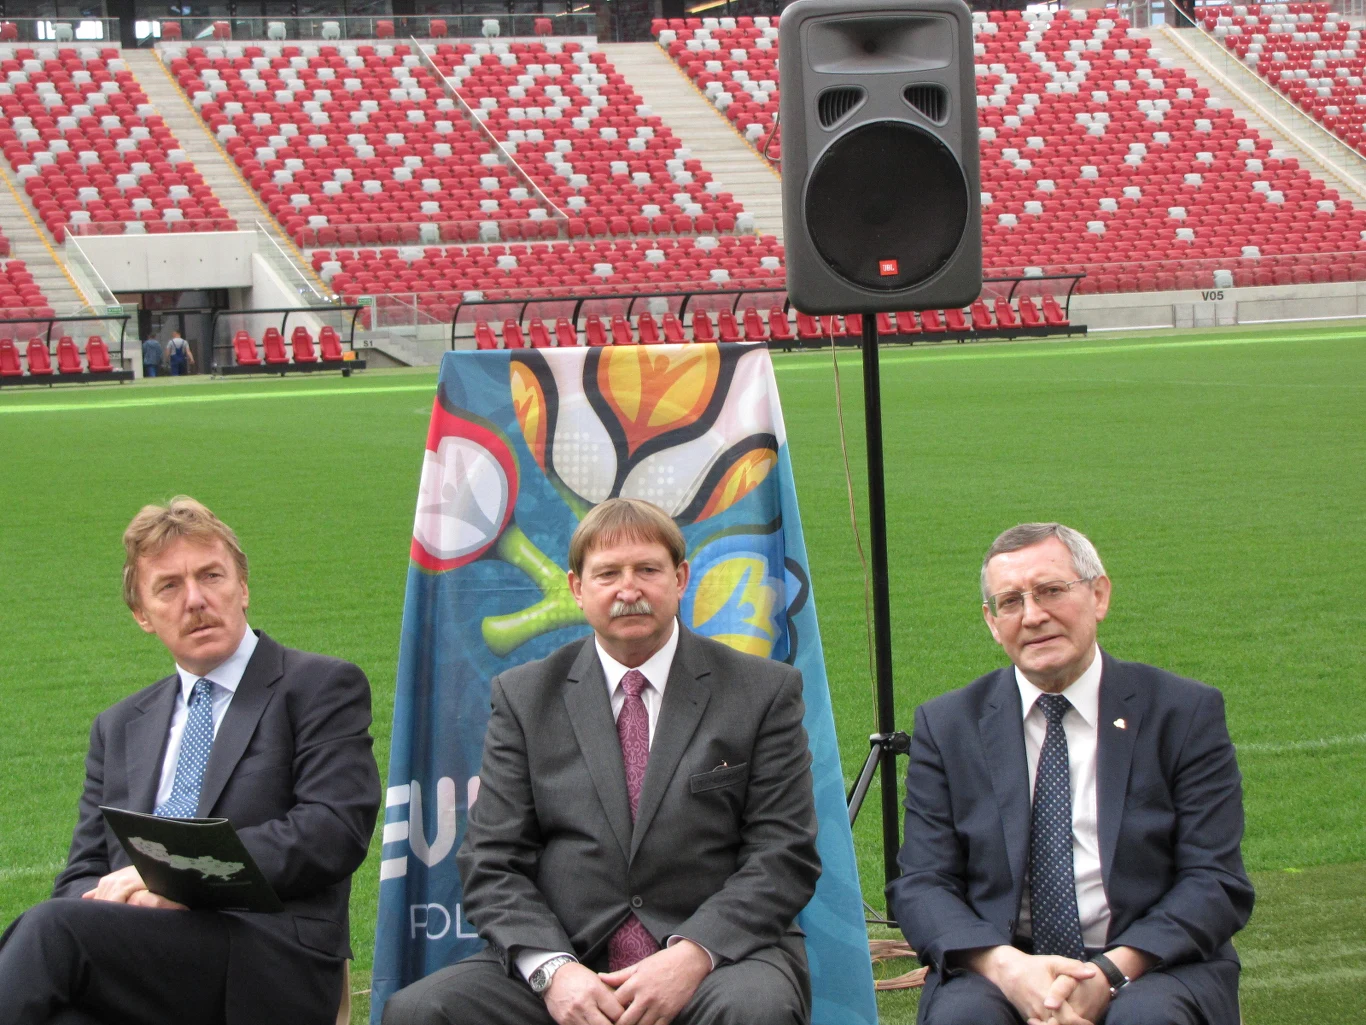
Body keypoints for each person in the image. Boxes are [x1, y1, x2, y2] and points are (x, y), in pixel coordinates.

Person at [383, 498, 822, 1025]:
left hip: (718, 962)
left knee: (756, 1009)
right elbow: (492, 862)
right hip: (571, 958)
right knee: (419, 1011)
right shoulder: (525, 698)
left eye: (647, 570)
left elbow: (783, 854)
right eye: (608, 573)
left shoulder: (761, 692)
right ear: (576, 588)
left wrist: (691, 955)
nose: (628, 590)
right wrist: (554, 971)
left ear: (681, 578)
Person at [0, 497, 381, 1025]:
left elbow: (332, 831)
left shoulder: (317, 687)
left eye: (211, 576)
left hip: (259, 956)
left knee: (49, 931)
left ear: (242, 588)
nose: (196, 600)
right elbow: (82, 870)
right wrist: (124, 904)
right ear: (142, 615)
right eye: (169, 586)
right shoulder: (118, 726)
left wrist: (173, 879)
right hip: (142, 957)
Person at [888, 522, 1253, 1025]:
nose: (1033, 616)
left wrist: (1109, 973)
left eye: (1051, 591)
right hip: (1002, 964)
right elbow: (923, 884)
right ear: (992, 623)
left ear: (1098, 595)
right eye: (1010, 602)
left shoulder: (1182, 712)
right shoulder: (949, 724)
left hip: (1152, 964)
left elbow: (1215, 879)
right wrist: (1008, 968)